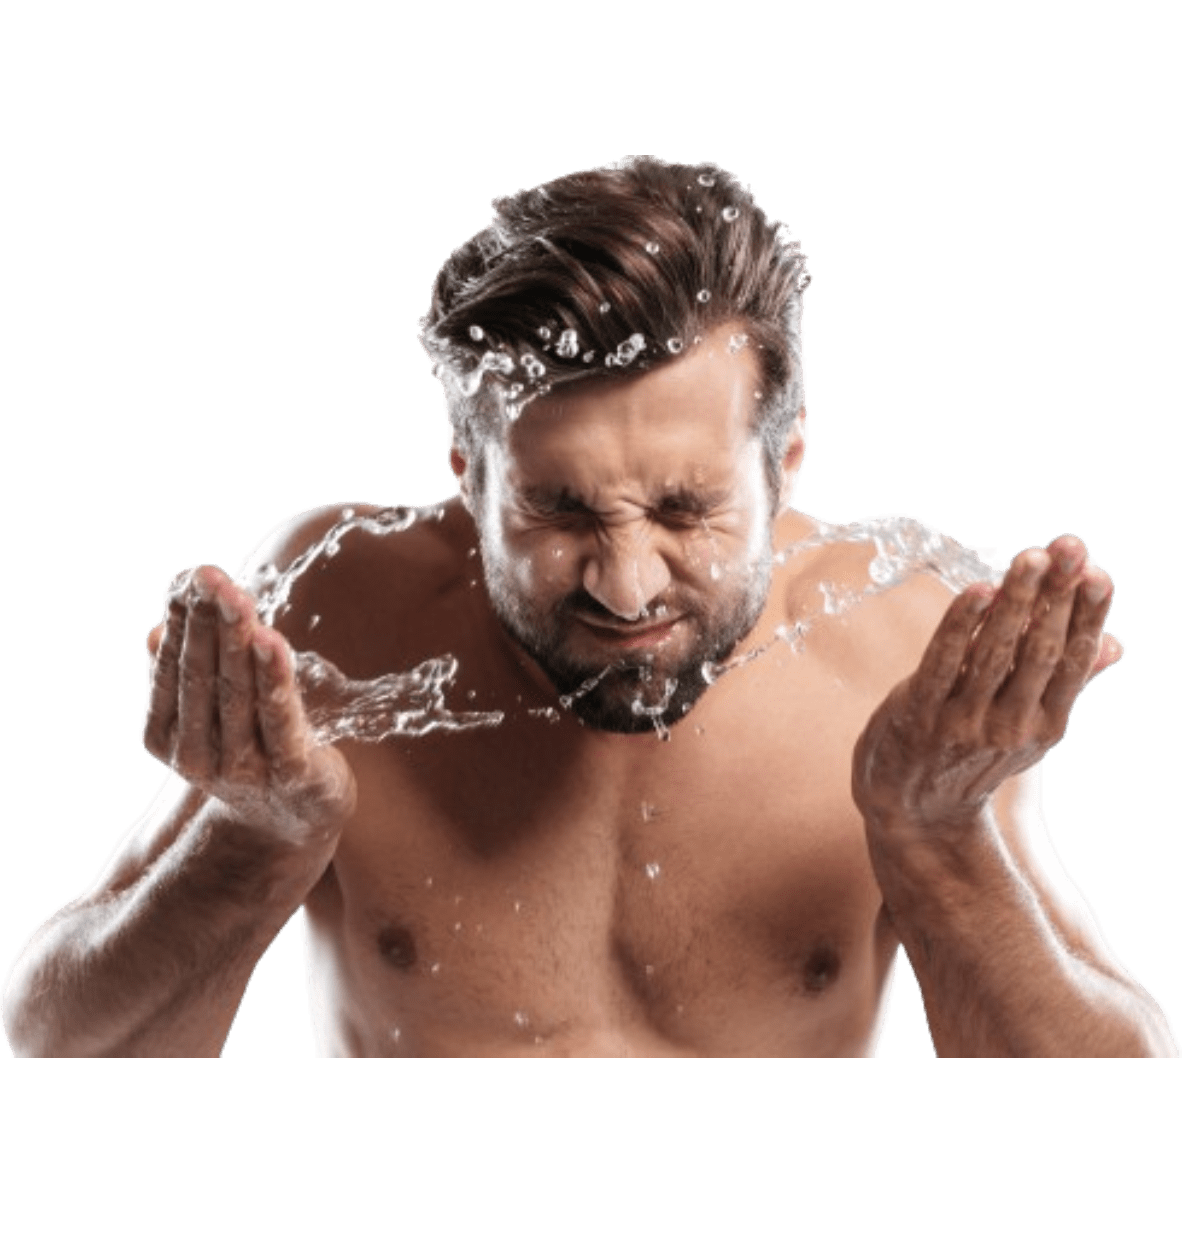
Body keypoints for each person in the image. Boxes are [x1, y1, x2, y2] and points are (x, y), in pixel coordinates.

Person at [0, 156, 1179, 1058]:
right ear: (466, 471)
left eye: (683, 509)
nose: (625, 585)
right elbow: (62, 1045)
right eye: (560, 511)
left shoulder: (906, 651)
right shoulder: (334, 612)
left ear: (787, 467)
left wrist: (939, 840)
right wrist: (245, 845)